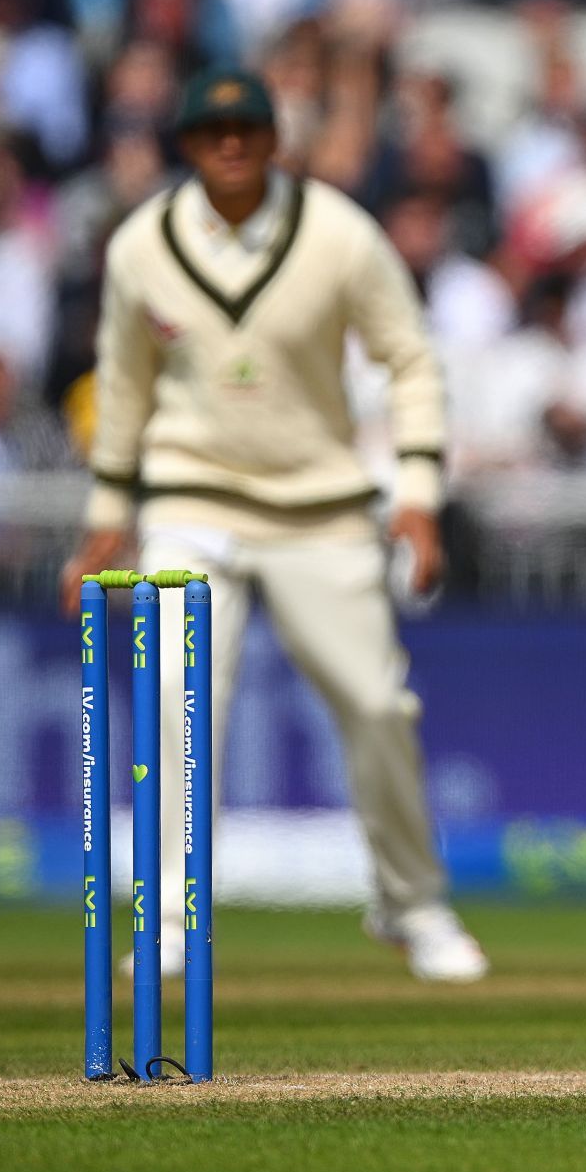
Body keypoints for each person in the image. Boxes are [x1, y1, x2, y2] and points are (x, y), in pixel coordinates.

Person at [59, 67, 488, 983]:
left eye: (248, 127)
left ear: (272, 137)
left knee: (378, 706)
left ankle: (412, 904)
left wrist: (416, 488)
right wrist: (106, 515)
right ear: (184, 143)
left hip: (320, 507)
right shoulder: (143, 245)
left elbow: (409, 357)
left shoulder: (336, 232)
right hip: (191, 499)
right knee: (180, 700)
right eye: (213, 130)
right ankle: (171, 913)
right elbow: (123, 383)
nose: (231, 143)